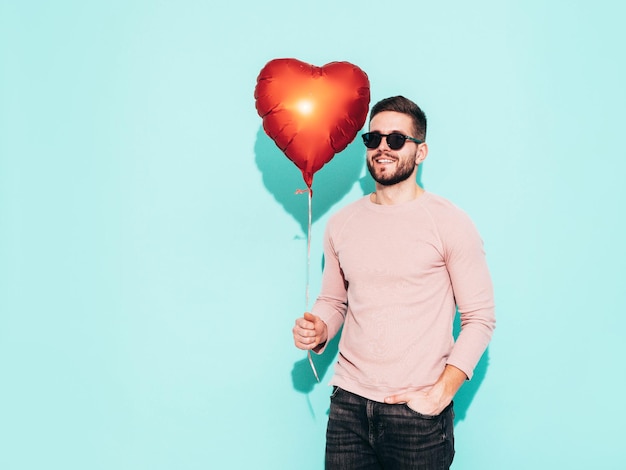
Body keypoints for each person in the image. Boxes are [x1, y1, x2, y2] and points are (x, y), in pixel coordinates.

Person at [292, 95, 495, 469]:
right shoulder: (342, 223)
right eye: (374, 138)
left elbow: (479, 318)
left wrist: (439, 396)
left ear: (421, 152)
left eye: (397, 140)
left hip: (417, 415)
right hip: (349, 406)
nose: (383, 147)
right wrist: (319, 329)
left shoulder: (450, 223)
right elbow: (334, 302)